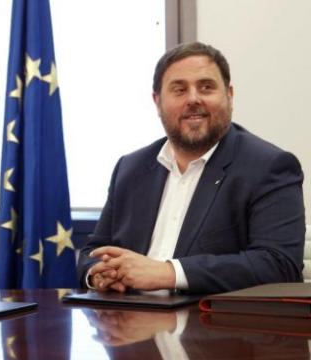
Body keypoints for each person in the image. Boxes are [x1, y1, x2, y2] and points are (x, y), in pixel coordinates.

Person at [77, 42, 305, 294]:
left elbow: (279, 265)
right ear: (157, 102)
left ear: (229, 95)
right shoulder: (130, 168)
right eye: (179, 89)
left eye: (206, 87)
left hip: (211, 326)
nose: (194, 99)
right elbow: (94, 250)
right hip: (127, 323)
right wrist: (99, 273)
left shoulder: (269, 166)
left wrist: (168, 273)